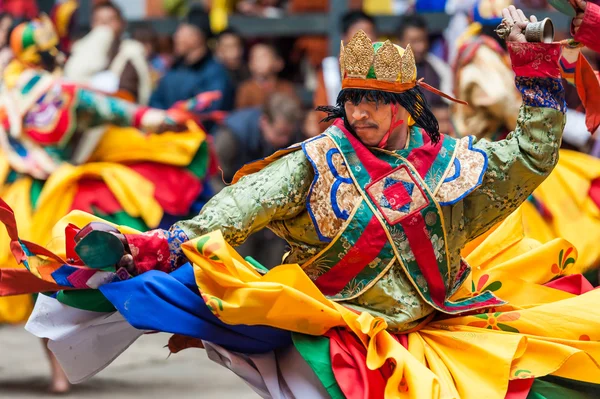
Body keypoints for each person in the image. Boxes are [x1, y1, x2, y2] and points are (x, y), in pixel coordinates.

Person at [6, 6, 600, 398]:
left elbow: (530, 157)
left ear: (405, 105)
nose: (360, 112)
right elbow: (239, 207)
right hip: (338, 343)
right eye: (353, 98)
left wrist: (538, 71)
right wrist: (173, 241)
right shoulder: (312, 163)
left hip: (441, 332)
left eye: (374, 99)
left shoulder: (453, 166)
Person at [0, 18, 216, 395]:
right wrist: (175, 118)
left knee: (25, 277)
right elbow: (130, 115)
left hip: (14, 194)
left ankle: (58, 370)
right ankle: (60, 370)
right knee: (53, 280)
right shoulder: (67, 93)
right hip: (57, 194)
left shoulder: (5, 89)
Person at [149, 6, 234, 124]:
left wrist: (175, 119)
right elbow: (156, 101)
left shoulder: (215, 74)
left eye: (181, 31)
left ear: (197, 36)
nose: (176, 37)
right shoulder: (174, 69)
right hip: (166, 139)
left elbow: (210, 112)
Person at [64, 1, 152, 104]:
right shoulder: (80, 49)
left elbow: (128, 94)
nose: (104, 25)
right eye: (99, 20)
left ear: (122, 23)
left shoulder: (131, 52)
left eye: (110, 20)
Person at [313, 10, 377, 132]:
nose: (366, 38)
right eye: (359, 32)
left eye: (370, 32)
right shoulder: (329, 70)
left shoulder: (380, 69)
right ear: (345, 36)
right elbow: (322, 116)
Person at [396, 14, 452, 110]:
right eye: (414, 41)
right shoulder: (390, 71)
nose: (421, 47)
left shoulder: (439, 69)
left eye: (423, 40)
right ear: (400, 41)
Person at [234, 42, 299, 109]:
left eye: (263, 56)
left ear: (278, 63)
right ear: (250, 65)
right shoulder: (245, 89)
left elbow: (295, 112)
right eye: (254, 57)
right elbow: (240, 115)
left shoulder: (286, 88)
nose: (258, 61)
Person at [214, 28, 249, 92]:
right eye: (228, 47)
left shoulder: (248, 71)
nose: (235, 53)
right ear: (218, 50)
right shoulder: (211, 76)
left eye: (238, 46)